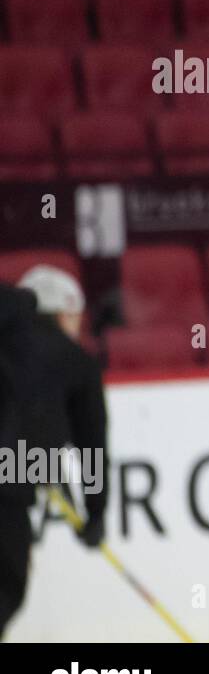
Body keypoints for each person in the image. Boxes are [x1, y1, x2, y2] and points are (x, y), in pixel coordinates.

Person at [0, 266, 109, 638]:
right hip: (7, 495)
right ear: (64, 314)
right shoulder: (77, 362)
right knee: (6, 592)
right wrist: (95, 513)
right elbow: (92, 447)